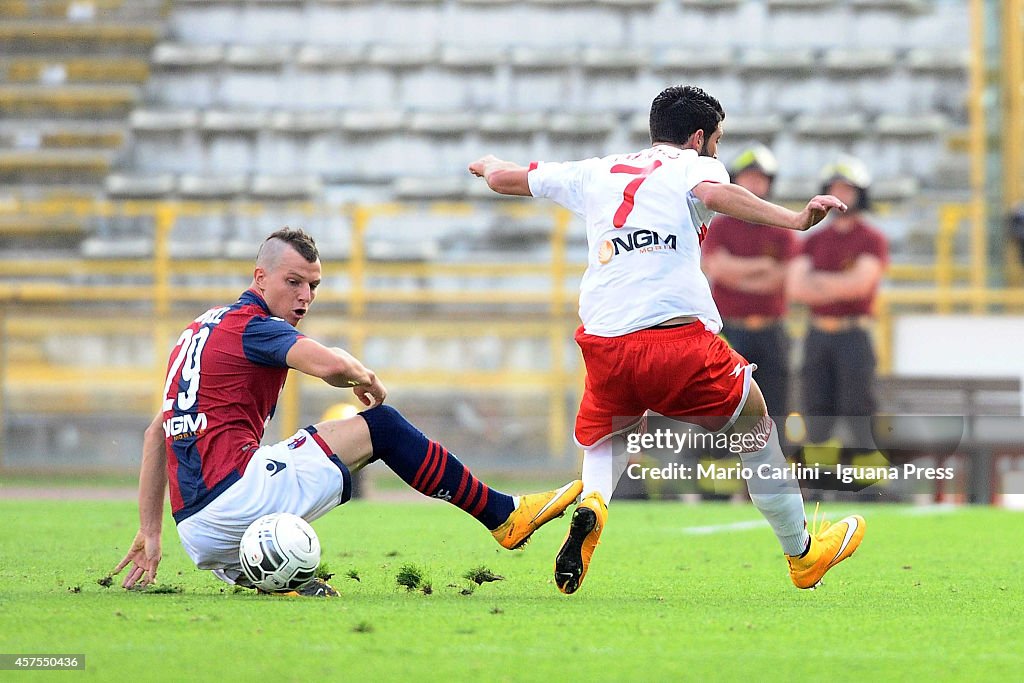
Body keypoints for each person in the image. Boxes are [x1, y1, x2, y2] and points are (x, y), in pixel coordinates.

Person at [469, 85, 865, 594]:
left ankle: (593, 503)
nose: (717, 153)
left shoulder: (597, 169)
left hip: (605, 344)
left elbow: (506, 179)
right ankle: (801, 553)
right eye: (717, 142)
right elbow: (714, 195)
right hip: (678, 341)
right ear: (698, 137)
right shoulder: (693, 167)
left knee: (609, 433)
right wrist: (793, 219)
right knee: (756, 428)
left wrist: (490, 164)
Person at [111, 228, 582, 596]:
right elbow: (331, 365)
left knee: (281, 453)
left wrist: (150, 531)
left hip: (195, 531)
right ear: (259, 278)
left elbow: (157, 434)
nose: (304, 297)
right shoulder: (256, 327)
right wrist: (370, 380)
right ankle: (505, 516)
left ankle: (263, 576)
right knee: (384, 426)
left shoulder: (197, 330)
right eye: (292, 282)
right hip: (239, 499)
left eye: (313, 286)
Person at [787, 156, 889, 482]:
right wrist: (840, 286)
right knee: (816, 408)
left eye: (847, 188)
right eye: (834, 188)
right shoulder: (814, 239)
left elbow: (861, 285)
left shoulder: (871, 238)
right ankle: (819, 480)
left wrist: (819, 283)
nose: (841, 194)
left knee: (858, 407)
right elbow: (796, 288)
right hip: (818, 335)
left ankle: (870, 482)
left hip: (854, 335)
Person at [702, 144, 797, 422]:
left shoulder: (782, 225)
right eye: (748, 177)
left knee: (775, 402)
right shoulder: (720, 226)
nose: (754, 184)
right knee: (724, 399)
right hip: (731, 330)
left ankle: (775, 460)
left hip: (771, 329)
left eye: (760, 178)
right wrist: (763, 267)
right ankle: (726, 460)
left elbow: (784, 278)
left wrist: (738, 275)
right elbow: (717, 269)